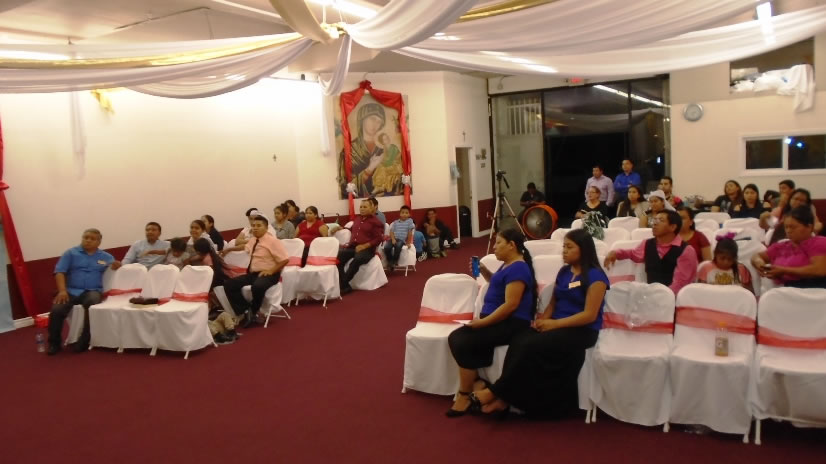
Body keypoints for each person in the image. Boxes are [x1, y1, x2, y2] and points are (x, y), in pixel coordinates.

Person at [469, 229, 608, 418]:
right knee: (519, 339)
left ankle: (496, 393)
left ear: (583, 250)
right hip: (556, 324)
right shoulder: (564, 272)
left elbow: (589, 315)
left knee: (529, 345)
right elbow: (553, 303)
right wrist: (544, 320)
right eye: (563, 247)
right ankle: (505, 398)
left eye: (569, 247)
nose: (564, 251)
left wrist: (554, 325)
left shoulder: (596, 277)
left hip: (582, 330)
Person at [445, 228, 536, 417]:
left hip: (511, 323)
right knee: (457, 338)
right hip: (497, 320)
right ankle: (478, 384)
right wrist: (485, 272)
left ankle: (465, 394)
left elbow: (511, 305)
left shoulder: (519, 268)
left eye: (498, 243)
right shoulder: (508, 265)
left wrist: (483, 323)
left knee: (461, 340)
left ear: (512, 245)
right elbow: (498, 283)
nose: (494, 247)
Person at [47, 229, 119, 355]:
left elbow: (115, 267)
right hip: (71, 291)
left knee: (92, 303)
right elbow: (59, 272)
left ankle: (84, 340)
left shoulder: (106, 257)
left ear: (99, 242)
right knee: (57, 310)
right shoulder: (70, 253)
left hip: (92, 291)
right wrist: (62, 291)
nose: (88, 240)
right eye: (86, 237)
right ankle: (54, 343)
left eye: (92, 239)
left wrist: (117, 265)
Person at [604, 210, 698, 295]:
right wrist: (615, 253)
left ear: (673, 227)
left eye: (661, 220)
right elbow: (633, 254)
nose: (654, 223)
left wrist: (661, 297)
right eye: (654, 220)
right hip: (651, 296)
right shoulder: (647, 244)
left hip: (674, 299)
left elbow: (680, 284)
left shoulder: (686, 250)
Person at [223, 216, 289, 328]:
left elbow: (285, 259)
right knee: (229, 284)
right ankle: (246, 311)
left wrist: (271, 270)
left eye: (258, 225)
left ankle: (253, 311)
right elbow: (245, 247)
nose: (255, 228)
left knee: (257, 286)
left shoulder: (273, 241)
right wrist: (229, 249)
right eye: (253, 226)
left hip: (269, 274)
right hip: (253, 274)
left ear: (266, 228)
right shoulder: (253, 240)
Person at [338, 103, 404, 198]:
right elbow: (345, 187)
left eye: (379, 122)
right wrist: (369, 169)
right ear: (362, 119)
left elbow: (399, 178)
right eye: (372, 119)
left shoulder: (387, 149)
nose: (375, 124)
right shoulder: (349, 151)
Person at [752, 206, 826, 289]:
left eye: (793, 227)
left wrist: (784, 271)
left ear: (809, 227)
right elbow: (757, 256)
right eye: (786, 227)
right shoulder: (782, 245)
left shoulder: (818, 242)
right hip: (782, 289)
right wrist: (760, 264)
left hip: (813, 289)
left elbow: (819, 270)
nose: (788, 231)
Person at [337, 199, 384, 295]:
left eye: (365, 207)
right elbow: (353, 229)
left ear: (371, 208)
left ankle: (342, 284)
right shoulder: (358, 219)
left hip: (367, 249)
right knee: (338, 258)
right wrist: (342, 228)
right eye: (361, 207)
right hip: (353, 247)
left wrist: (364, 246)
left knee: (357, 259)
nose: (362, 209)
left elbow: (378, 239)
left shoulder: (376, 222)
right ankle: (345, 286)